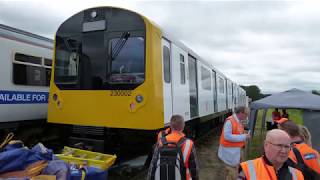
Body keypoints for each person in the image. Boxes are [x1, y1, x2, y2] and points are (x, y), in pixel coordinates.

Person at [147, 115, 199, 180]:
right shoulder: (189, 144)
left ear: (170, 127)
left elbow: (152, 167)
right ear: (183, 127)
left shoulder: (160, 142)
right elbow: (194, 169)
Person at [238, 129, 304, 180]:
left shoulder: (297, 175)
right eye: (279, 145)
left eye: (286, 147)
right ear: (266, 145)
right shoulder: (246, 169)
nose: (283, 151)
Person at [218, 106, 251, 180]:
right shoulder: (230, 121)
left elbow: (237, 132)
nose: (247, 117)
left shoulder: (238, 121)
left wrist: (244, 134)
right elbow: (227, 136)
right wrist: (244, 136)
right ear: (240, 113)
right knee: (232, 174)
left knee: (235, 171)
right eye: (246, 114)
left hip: (236, 151)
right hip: (230, 152)